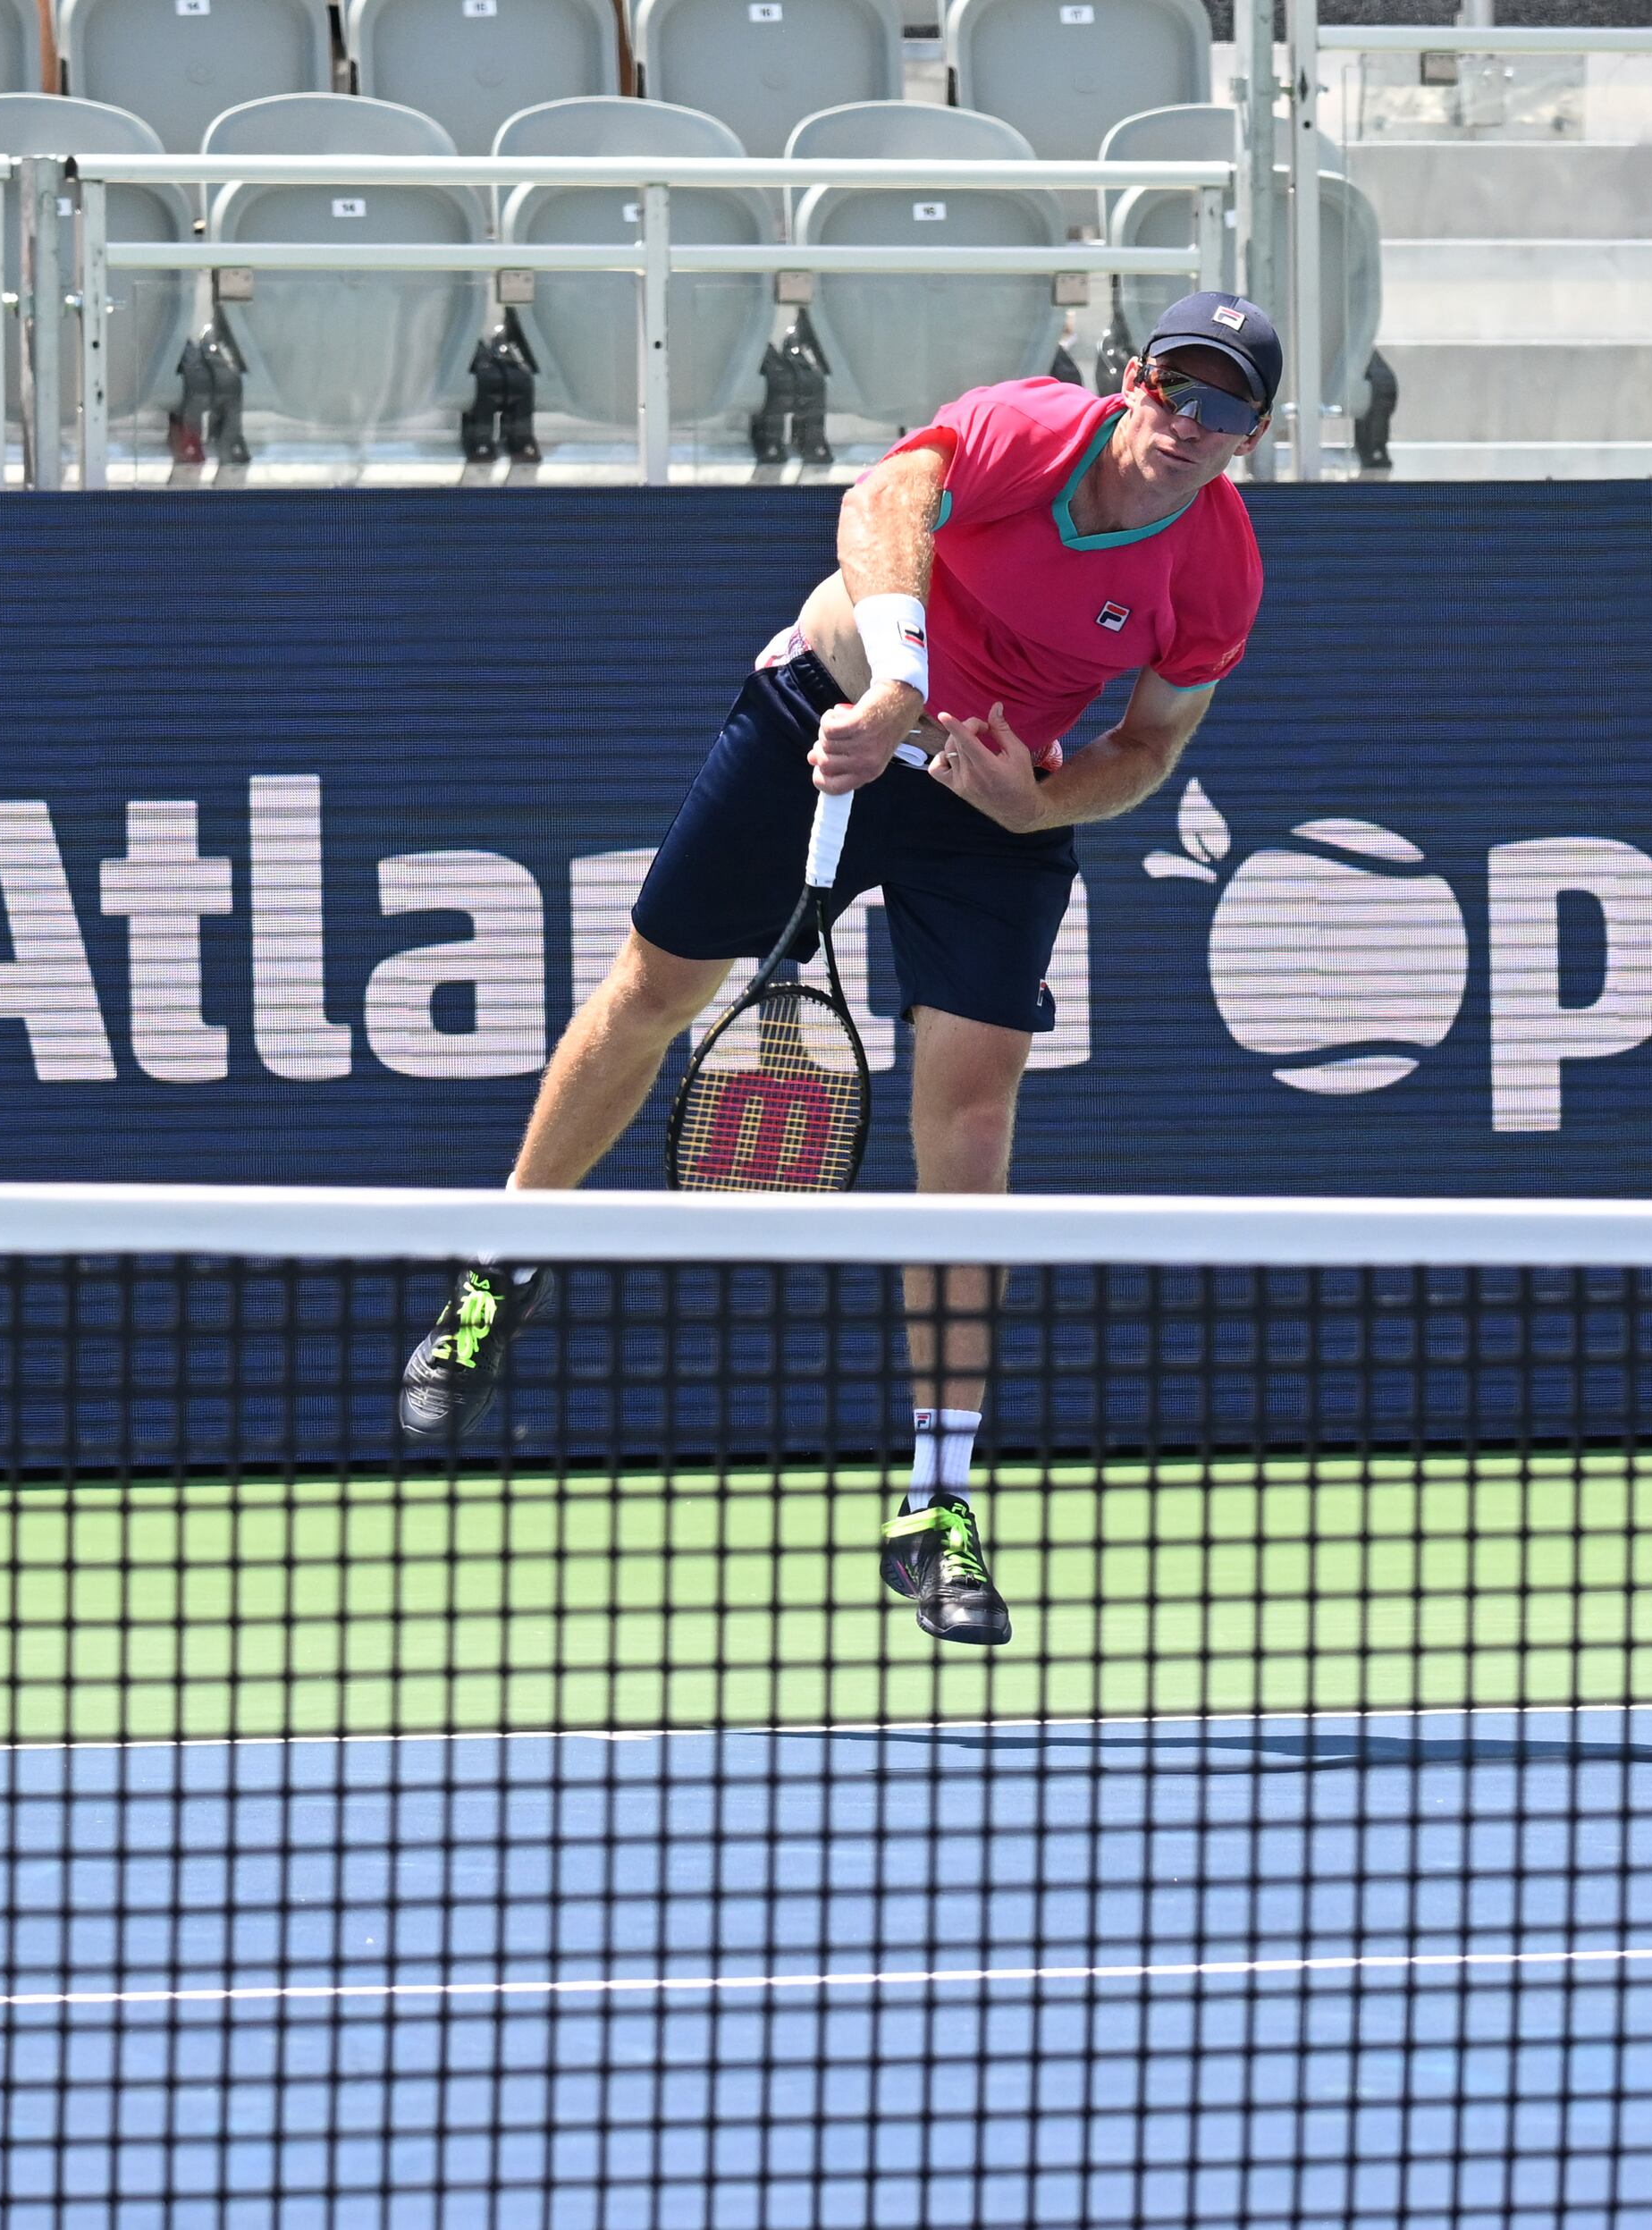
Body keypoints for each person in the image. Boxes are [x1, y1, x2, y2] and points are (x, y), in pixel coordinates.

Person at [393, 294, 1281, 1653]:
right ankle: (504, 1262)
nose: (1190, 422)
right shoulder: (1027, 430)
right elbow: (887, 498)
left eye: (1226, 409)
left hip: (991, 799)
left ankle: (936, 1504)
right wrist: (898, 686)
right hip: (829, 708)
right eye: (1178, 387)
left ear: (1254, 436)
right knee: (655, 992)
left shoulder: (1215, 568)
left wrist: (1037, 808)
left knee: (973, 1113)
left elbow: (1150, 747)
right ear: (1131, 379)